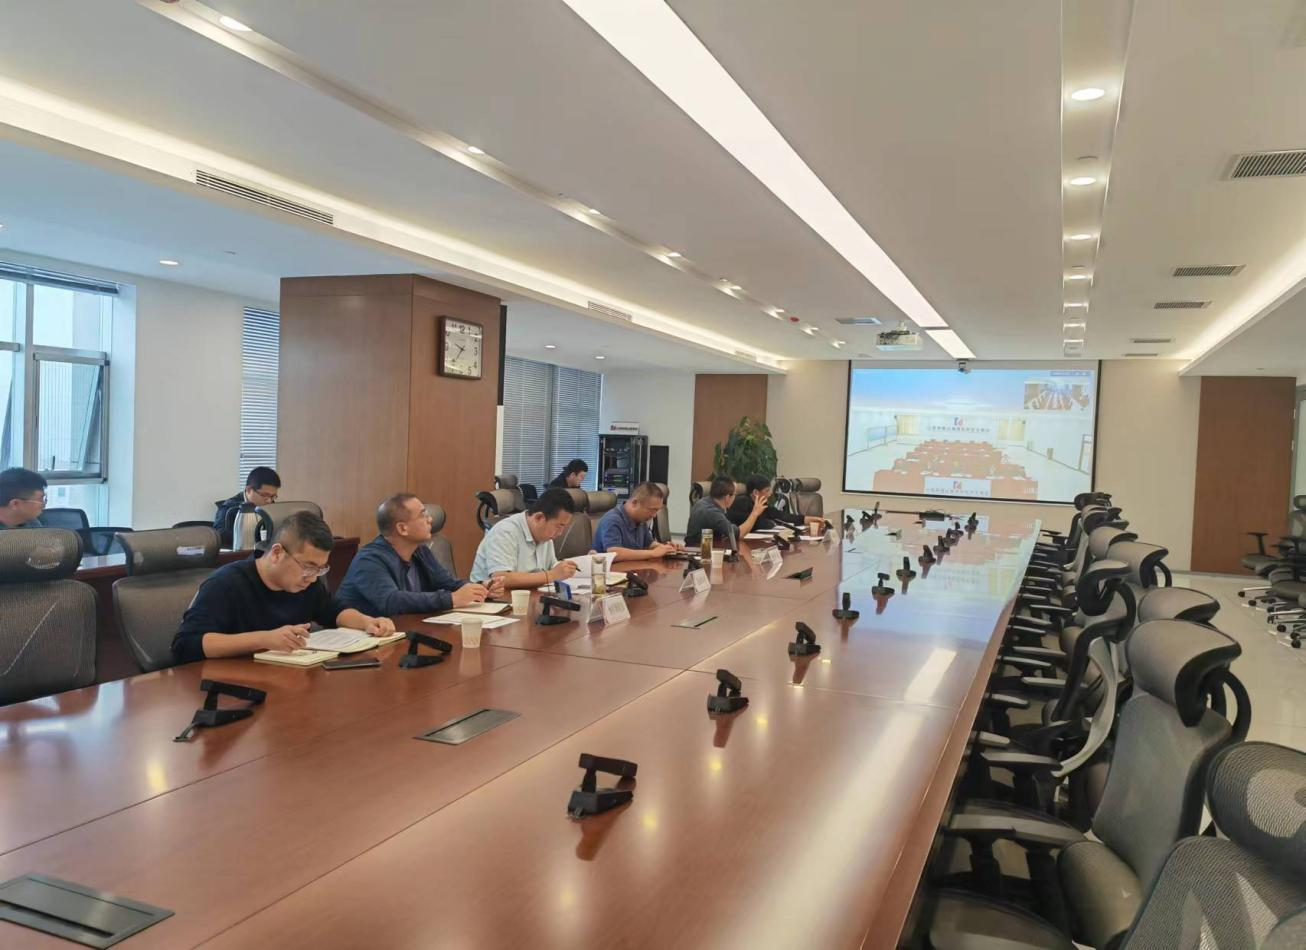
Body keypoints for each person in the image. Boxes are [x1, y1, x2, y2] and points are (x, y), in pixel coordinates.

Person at [173, 510, 393, 663]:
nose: (312, 577)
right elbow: (186, 645)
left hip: (285, 681)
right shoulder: (226, 584)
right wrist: (264, 639)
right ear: (277, 553)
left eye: (320, 569)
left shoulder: (307, 584)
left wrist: (367, 622)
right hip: (231, 687)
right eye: (308, 566)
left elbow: (334, 611)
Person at [337, 493, 501, 616]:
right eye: (423, 515)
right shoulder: (369, 560)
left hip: (404, 629)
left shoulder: (420, 551)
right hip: (362, 640)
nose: (430, 520)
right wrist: (451, 599)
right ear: (402, 528)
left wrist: (481, 588)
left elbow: (448, 583)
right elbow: (391, 601)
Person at [470, 487, 580, 591]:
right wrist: (551, 575)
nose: (560, 533)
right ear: (539, 518)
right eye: (559, 526)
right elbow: (501, 578)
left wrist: (563, 569)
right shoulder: (505, 531)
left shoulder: (545, 536)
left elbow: (551, 567)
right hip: (490, 600)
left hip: (528, 596)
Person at [593, 482, 681, 561]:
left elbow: (649, 544)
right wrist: (653, 553)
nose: (654, 515)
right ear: (635, 503)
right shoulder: (612, 519)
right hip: (611, 572)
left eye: (657, 510)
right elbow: (614, 553)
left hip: (632, 569)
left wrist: (667, 548)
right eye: (652, 510)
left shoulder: (640, 520)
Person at [727, 475, 827, 536]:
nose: (770, 494)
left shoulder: (760, 503)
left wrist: (806, 519)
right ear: (755, 492)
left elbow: (780, 515)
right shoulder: (741, 503)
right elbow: (761, 525)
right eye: (767, 491)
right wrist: (772, 523)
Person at [213, 466, 282, 547]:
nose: (269, 501)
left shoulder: (270, 504)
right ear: (249, 490)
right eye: (264, 495)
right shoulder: (228, 508)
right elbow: (219, 537)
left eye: (273, 496)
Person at [684, 476, 740, 547]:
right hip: (698, 550)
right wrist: (753, 514)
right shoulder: (711, 511)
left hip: (704, 548)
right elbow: (736, 533)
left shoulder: (705, 502)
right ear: (727, 497)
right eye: (735, 494)